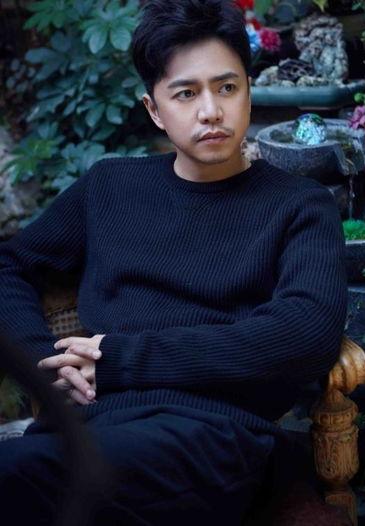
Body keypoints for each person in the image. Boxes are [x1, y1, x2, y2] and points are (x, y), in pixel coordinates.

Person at [0, 0, 347, 524]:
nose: (211, 111)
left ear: (248, 92)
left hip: (215, 436)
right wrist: (44, 363)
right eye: (186, 93)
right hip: (91, 426)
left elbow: (306, 330)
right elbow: (9, 264)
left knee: (27, 476)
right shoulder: (110, 187)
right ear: (155, 110)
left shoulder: (299, 205)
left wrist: (121, 360)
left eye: (226, 87)